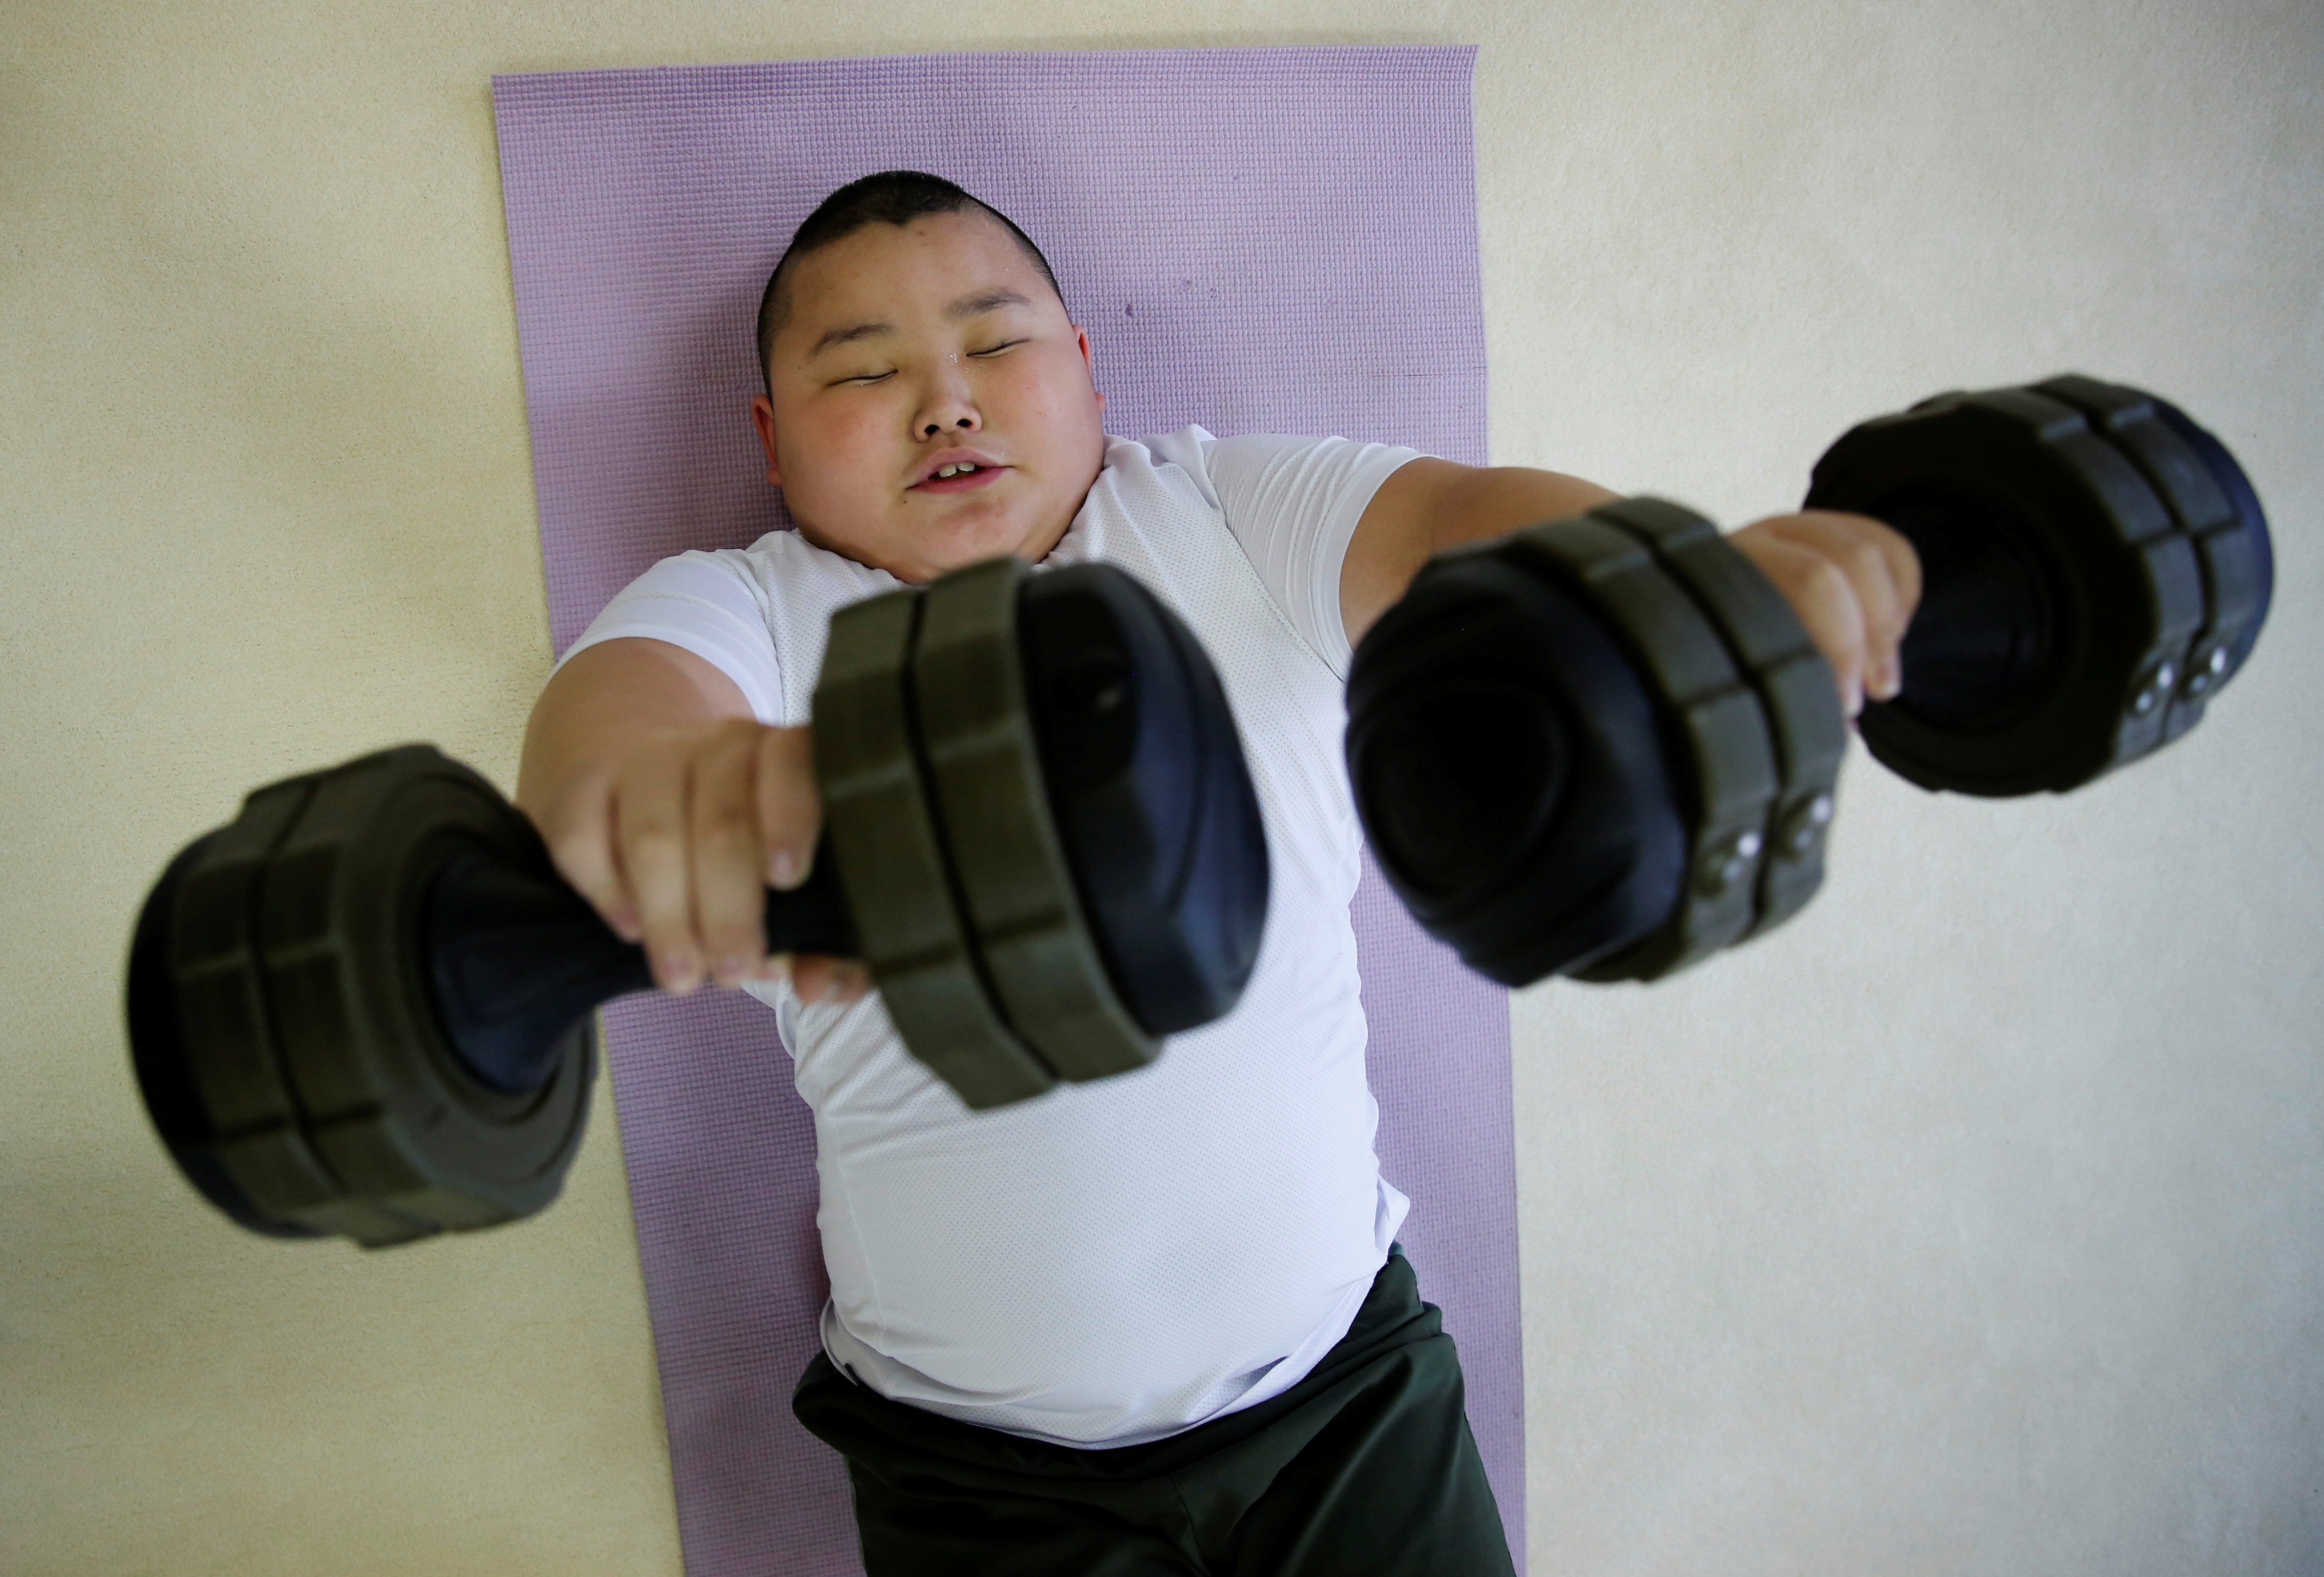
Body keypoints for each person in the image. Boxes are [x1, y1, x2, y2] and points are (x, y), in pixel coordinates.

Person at [515, 171, 1918, 1576]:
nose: (946, 402)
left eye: (998, 346)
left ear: (1087, 369)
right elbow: (613, 722)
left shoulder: (1228, 511)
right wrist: (675, 792)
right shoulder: (752, 607)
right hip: (973, 1471)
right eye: (865, 371)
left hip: (1342, 1399)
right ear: (767, 436)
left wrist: (1665, 587)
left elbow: (1459, 526)